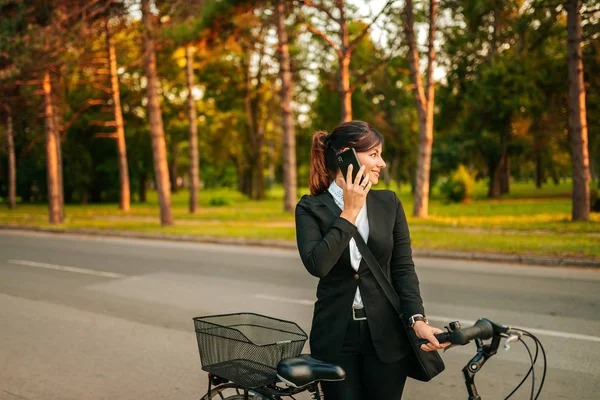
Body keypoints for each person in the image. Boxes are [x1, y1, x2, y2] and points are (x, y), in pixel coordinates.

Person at [295, 121, 448, 400]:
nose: (383, 163)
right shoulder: (310, 208)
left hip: (387, 334)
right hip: (336, 336)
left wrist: (418, 319)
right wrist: (350, 211)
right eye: (374, 155)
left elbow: (403, 268)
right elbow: (318, 264)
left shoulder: (389, 203)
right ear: (346, 156)